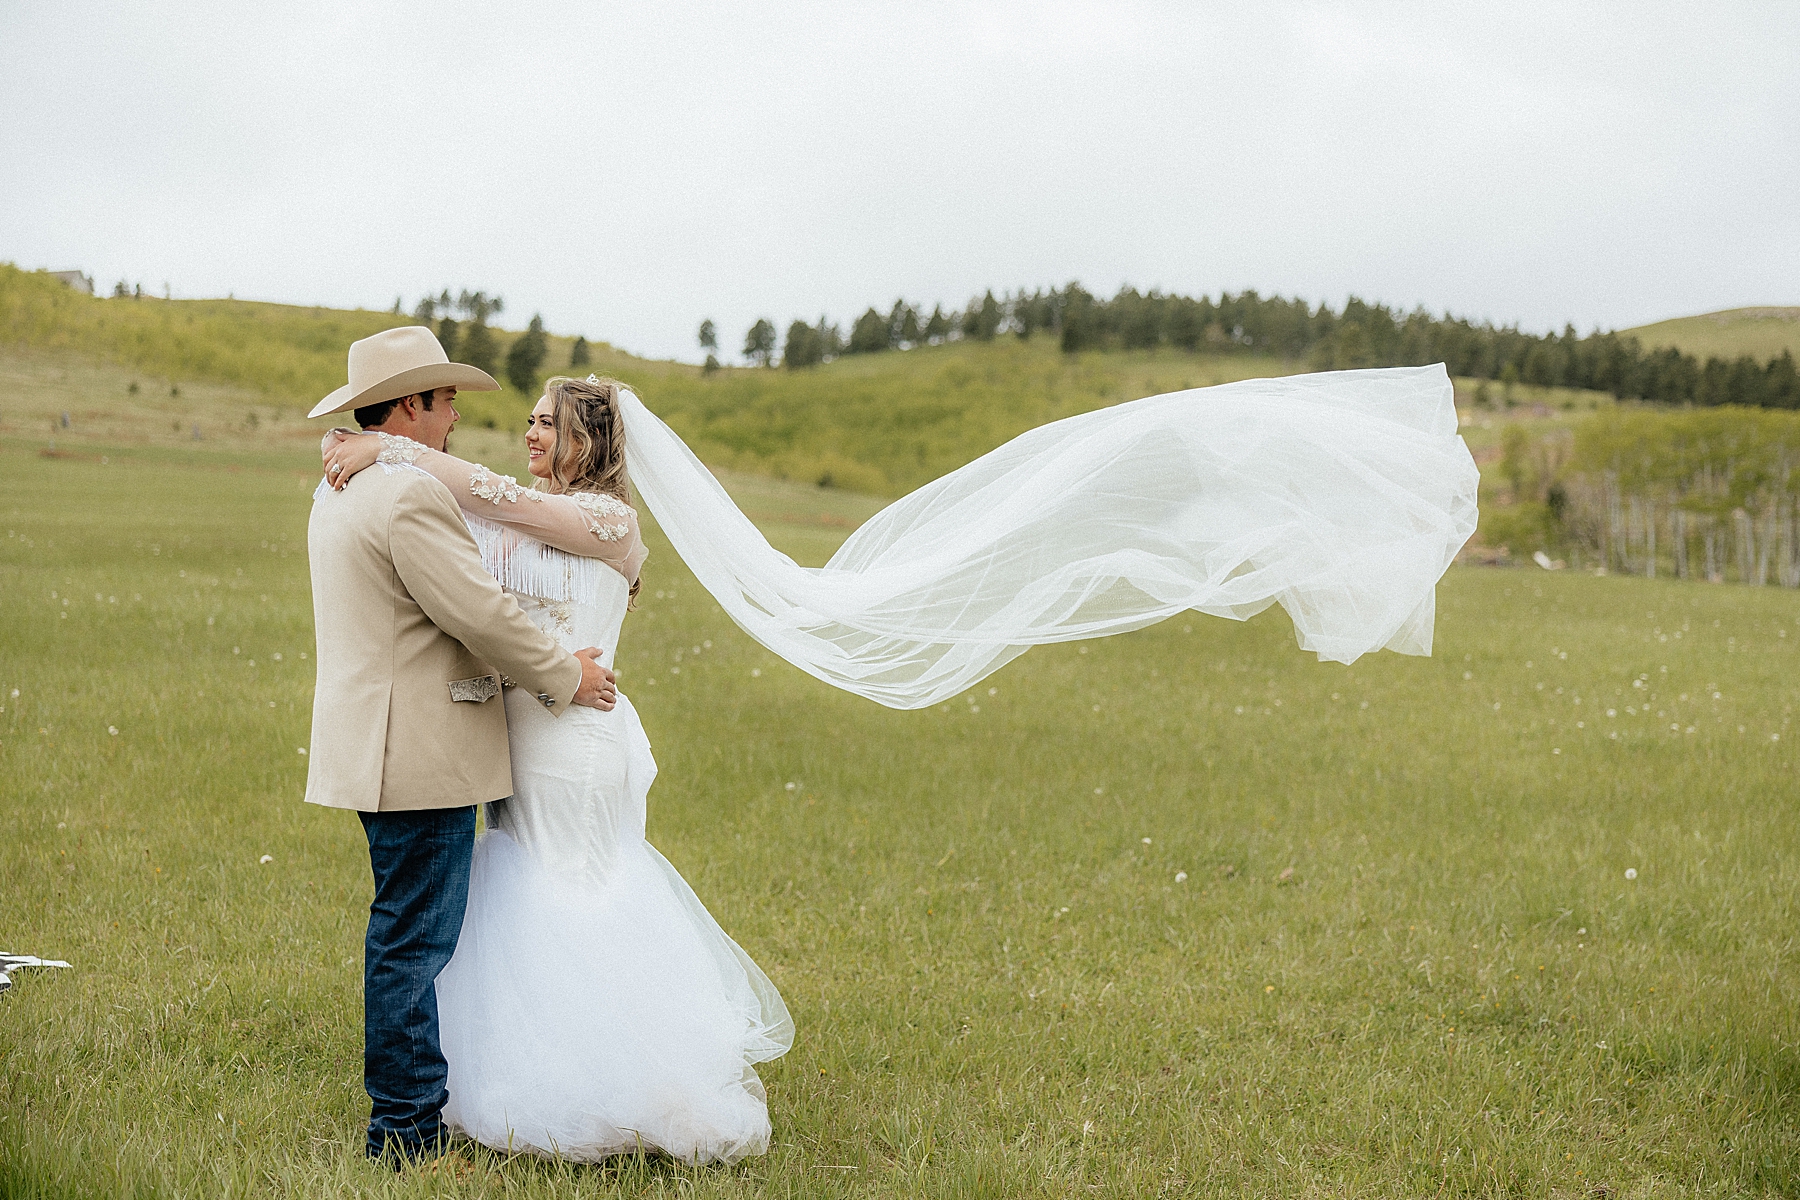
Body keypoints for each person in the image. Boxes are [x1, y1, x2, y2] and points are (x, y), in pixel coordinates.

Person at [321, 373, 793, 1165]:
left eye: (550, 422)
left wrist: (386, 445)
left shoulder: (608, 520)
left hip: (578, 735)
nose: (531, 433)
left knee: (577, 887)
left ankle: (625, 1085)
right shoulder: (505, 512)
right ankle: (526, 1078)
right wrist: (370, 456)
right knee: (519, 897)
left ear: (593, 440)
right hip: (507, 741)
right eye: (530, 420)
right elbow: (464, 564)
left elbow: (498, 499)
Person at [304, 327, 619, 1166]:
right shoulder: (404, 496)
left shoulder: (338, 487)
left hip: (373, 744)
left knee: (403, 929)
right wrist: (566, 674)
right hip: (419, 750)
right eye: (444, 401)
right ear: (409, 406)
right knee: (414, 940)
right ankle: (404, 1129)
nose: (453, 419)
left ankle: (412, 1109)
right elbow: (476, 612)